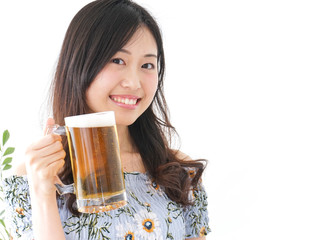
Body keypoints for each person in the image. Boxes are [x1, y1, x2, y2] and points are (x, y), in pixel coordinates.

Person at [2, 0, 210, 239]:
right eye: (118, 60)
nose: (133, 82)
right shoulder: (32, 176)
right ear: (79, 65)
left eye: (147, 65)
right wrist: (42, 190)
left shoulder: (179, 172)